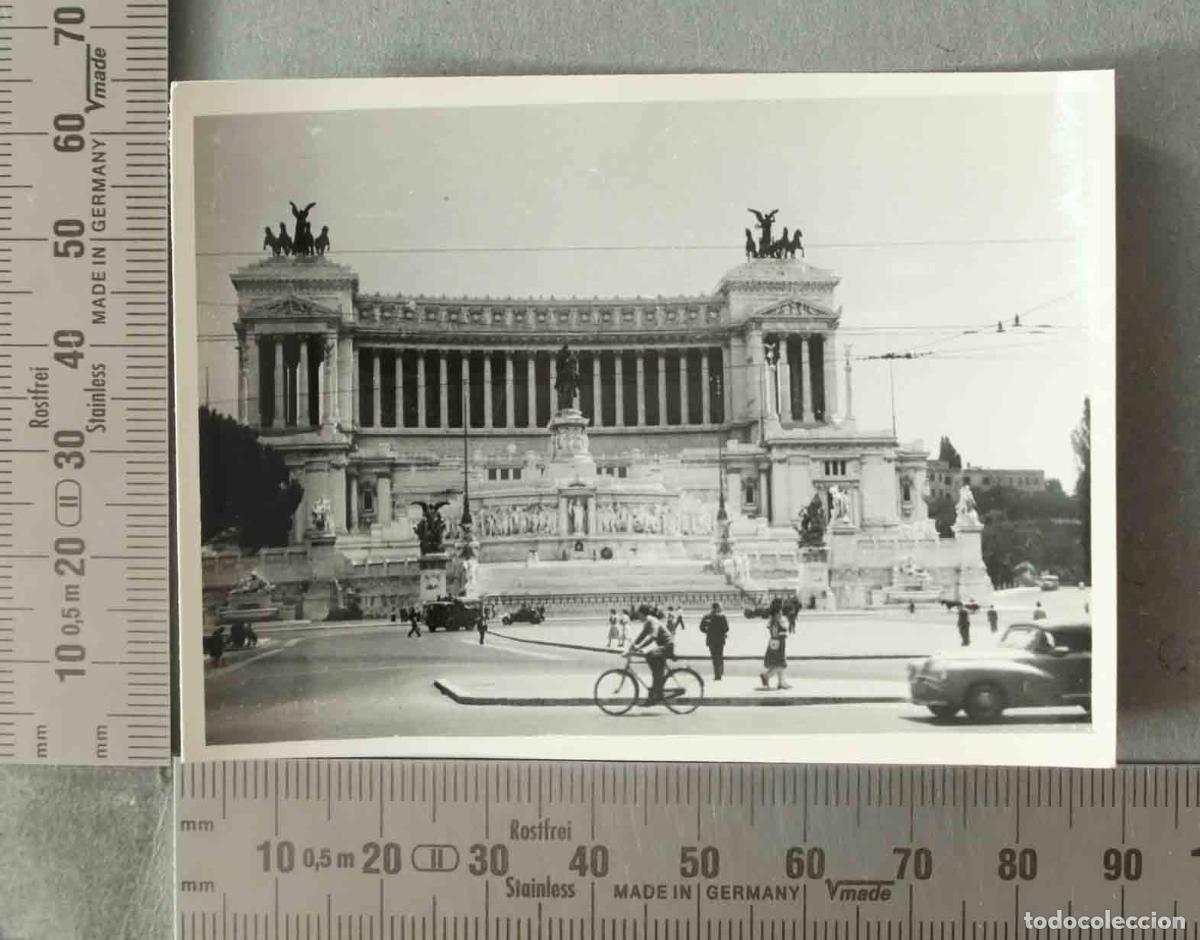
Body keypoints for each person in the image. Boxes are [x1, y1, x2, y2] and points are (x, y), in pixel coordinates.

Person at [630, 613, 675, 705]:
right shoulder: (648, 622)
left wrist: (639, 647)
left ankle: (656, 692)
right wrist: (632, 647)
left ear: (643, 614)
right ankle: (657, 691)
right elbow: (641, 636)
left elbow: (653, 637)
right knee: (655, 667)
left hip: (668, 646)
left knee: (650, 656)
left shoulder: (652, 621)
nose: (638, 618)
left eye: (639, 616)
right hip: (663, 647)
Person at [759, 598, 791, 690]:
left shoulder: (772, 617)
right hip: (780, 641)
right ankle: (767, 676)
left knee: (778, 662)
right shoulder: (779, 617)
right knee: (780, 663)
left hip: (773, 641)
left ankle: (781, 682)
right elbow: (783, 629)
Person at [699, 601, 730, 680]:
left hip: (711, 639)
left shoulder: (706, 616)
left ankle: (717, 675)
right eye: (720, 607)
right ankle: (721, 673)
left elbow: (701, 628)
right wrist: (721, 632)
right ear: (717, 608)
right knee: (720, 655)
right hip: (720, 639)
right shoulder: (722, 616)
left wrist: (708, 632)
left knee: (714, 657)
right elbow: (726, 628)